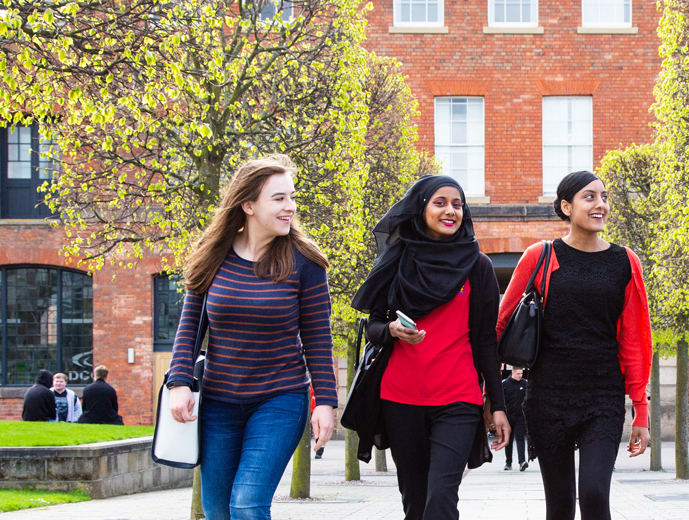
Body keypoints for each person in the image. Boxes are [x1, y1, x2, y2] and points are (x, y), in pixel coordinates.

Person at [164, 154, 338, 520]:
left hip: (280, 398)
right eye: (279, 198)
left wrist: (325, 401)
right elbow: (190, 323)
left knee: (246, 503)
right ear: (247, 204)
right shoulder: (213, 256)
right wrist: (178, 381)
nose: (290, 207)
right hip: (218, 402)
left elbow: (319, 339)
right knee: (218, 511)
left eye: (292, 197)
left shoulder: (305, 262)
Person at [350, 175, 510, 520]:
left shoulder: (478, 266)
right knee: (415, 502)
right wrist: (391, 329)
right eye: (440, 203)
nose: (450, 210)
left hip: (458, 399)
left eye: (457, 204)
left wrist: (496, 405)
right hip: (400, 398)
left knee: (440, 499)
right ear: (420, 208)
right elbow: (372, 327)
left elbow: (486, 342)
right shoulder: (396, 262)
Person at [497, 170, 653, 520]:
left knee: (595, 495)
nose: (601, 204)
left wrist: (640, 409)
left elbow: (634, 340)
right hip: (548, 397)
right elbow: (501, 325)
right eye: (590, 197)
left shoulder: (625, 262)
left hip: (603, 396)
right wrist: (490, 398)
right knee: (561, 506)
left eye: (604, 197)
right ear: (566, 207)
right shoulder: (540, 256)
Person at [501, 367, 529, 471]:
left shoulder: (524, 384)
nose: (520, 376)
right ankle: (508, 462)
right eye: (518, 373)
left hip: (520, 416)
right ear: (512, 373)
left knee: (520, 438)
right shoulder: (505, 384)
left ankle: (522, 461)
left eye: (521, 373)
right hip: (508, 416)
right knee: (508, 439)